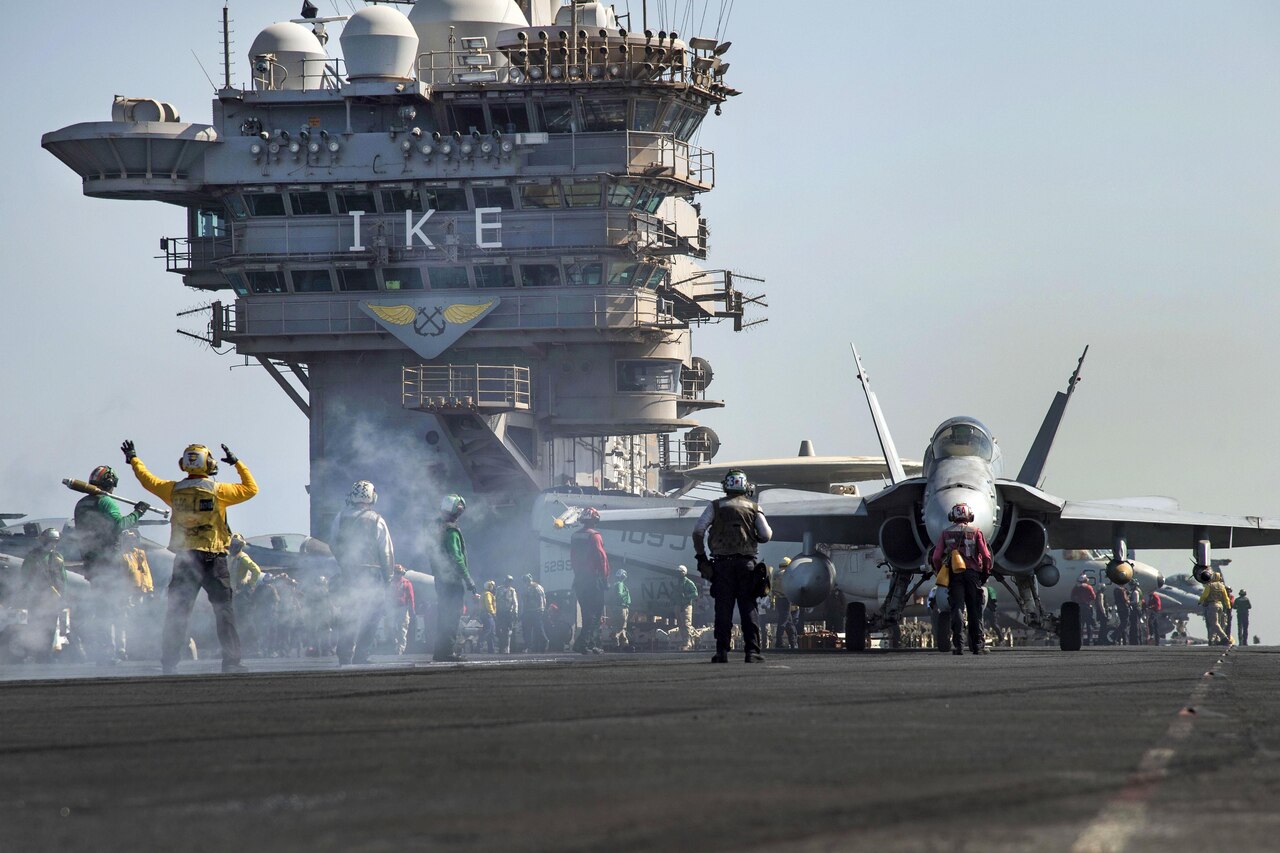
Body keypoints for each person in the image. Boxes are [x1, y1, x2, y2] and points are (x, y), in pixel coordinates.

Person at [125, 440, 256, 674]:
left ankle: (169, 663)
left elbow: (147, 480)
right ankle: (232, 663)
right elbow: (250, 488)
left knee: (177, 612)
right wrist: (237, 463)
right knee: (223, 610)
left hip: (185, 559)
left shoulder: (173, 490)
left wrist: (134, 459)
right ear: (209, 463)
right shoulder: (220, 491)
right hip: (214, 559)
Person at [692, 469, 772, 664]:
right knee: (749, 608)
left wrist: (702, 558)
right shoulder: (754, 507)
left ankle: (722, 652)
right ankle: (752, 652)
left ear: (726, 485)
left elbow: (698, 531)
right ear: (745, 486)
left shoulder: (715, 506)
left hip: (721, 566)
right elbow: (766, 535)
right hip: (747, 565)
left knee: (723, 609)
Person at [72, 464, 149, 663]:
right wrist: (138, 512)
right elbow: (119, 526)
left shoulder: (81, 504)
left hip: (91, 562)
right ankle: (110, 653)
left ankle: (103, 652)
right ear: (110, 483)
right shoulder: (106, 502)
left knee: (100, 609)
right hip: (109, 563)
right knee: (113, 610)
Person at [329, 480, 395, 665]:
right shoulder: (376, 519)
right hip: (372, 575)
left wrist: (344, 563)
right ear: (372, 497)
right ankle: (362, 655)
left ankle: (344, 655)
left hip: (349, 573)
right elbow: (386, 551)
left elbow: (333, 544)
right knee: (372, 615)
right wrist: (388, 577)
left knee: (349, 613)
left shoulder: (340, 517)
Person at [929, 503, 993, 655]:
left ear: (952, 516)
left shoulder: (945, 534)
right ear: (970, 516)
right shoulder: (976, 532)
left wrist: (941, 572)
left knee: (956, 607)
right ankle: (977, 645)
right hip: (973, 574)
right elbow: (985, 555)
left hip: (954, 575)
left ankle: (958, 646)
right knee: (974, 609)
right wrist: (985, 572)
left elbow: (936, 557)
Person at [432, 494, 476, 661]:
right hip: (451, 580)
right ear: (458, 510)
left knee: (443, 615)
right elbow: (457, 557)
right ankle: (448, 652)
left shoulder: (436, 528)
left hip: (440, 579)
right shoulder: (451, 530)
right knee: (451, 615)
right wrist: (468, 579)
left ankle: (439, 652)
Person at [20, 528, 67, 661]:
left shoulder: (58, 557)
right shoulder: (33, 557)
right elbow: (26, 577)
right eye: (51, 541)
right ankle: (34, 654)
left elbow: (63, 579)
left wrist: (63, 596)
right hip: (37, 598)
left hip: (54, 598)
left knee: (51, 626)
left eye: (55, 541)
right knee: (35, 625)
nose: (53, 544)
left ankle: (46, 654)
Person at [570, 507, 610, 654]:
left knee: (587, 613)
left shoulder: (575, 536)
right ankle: (582, 643)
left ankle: (591, 644)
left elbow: (573, 558)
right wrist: (604, 577)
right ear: (595, 520)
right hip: (593, 580)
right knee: (596, 613)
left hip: (579, 580)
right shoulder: (595, 536)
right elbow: (602, 557)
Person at [1198, 572, 1231, 645]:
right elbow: (1226, 598)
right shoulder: (1222, 586)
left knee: (1214, 623)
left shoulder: (1210, 585)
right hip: (1220, 605)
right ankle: (1212, 640)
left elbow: (1204, 595)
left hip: (1212, 605)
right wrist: (1228, 606)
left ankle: (1224, 638)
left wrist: (1200, 601)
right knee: (1216, 623)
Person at [771, 558, 797, 650]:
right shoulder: (787, 574)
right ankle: (779, 643)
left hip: (778, 600)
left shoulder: (776, 574)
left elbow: (772, 589)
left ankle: (793, 643)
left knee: (789, 623)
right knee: (783, 622)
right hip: (786, 600)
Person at [390, 565, 415, 655]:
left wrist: (412, 609)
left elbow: (411, 597)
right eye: (396, 573)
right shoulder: (390, 582)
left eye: (399, 573)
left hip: (403, 608)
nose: (398, 575)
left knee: (403, 629)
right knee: (391, 627)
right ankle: (395, 644)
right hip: (392, 608)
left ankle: (400, 649)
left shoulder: (406, 583)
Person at [674, 565, 699, 651]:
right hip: (678, 605)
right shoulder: (678, 583)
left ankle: (688, 643)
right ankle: (684, 641)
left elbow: (695, 594)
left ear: (684, 573)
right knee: (680, 624)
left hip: (686, 605)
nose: (678, 574)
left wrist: (686, 597)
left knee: (686, 624)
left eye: (680, 572)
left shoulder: (689, 583)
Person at [521, 574, 548, 653]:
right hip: (534, 611)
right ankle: (538, 644)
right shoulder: (537, 587)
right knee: (536, 629)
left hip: (533, 611)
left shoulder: (533, 588)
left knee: (529, 630)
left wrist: (541, 609)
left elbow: (540, 599)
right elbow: (543, 599)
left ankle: (529, 646)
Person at [606, 569, 631, 650]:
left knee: (622, 626)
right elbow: (619, 595)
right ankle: (615, 636)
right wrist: (626, 593)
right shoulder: (619, 584)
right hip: (622, 607)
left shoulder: (617, 584)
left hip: (620, 607)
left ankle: (624, 643)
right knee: (621, 626)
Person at [1070, 574, 1098, 645]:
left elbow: (1072, 597)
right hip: (1087, 607)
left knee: (1080, 624)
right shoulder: (1088, 587)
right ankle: (1089, 640)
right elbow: (1094, 597)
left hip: (1078, 607)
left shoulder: (1076, 588)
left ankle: (1079, 640)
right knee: (1089, 624)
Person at [495, 575, 519, 654]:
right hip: (499, 612)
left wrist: (515, 611)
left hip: (508, 613)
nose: (508, 582)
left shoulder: (512, 590)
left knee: (508, 631)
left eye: (510, 581)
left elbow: (515, 602)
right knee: (499, 630)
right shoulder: (499, 589)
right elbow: (495, 600)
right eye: (507, 580)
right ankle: (501, 647)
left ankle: (506, 648)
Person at [479, 581, 498, 653]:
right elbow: (489, 605)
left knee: (491, 632)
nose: (494, 588)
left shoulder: (485, 593)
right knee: (487, 630)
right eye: (492, 586)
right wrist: (493, 613)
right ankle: (479, 646)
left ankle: (491, 649)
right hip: (488, 614)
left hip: (486, 614)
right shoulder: (488, 594)